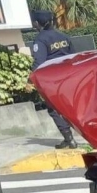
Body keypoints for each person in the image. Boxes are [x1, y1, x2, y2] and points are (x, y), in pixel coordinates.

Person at [30, 10, 77, 149]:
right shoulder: (63, 36)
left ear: (37, 23)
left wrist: (30, 80)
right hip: (68, 78)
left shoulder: (40, 39)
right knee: (71, 107)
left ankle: (69, 139)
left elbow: (39, 62)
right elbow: (73, 56)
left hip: (52, 81)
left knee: (54, 109)